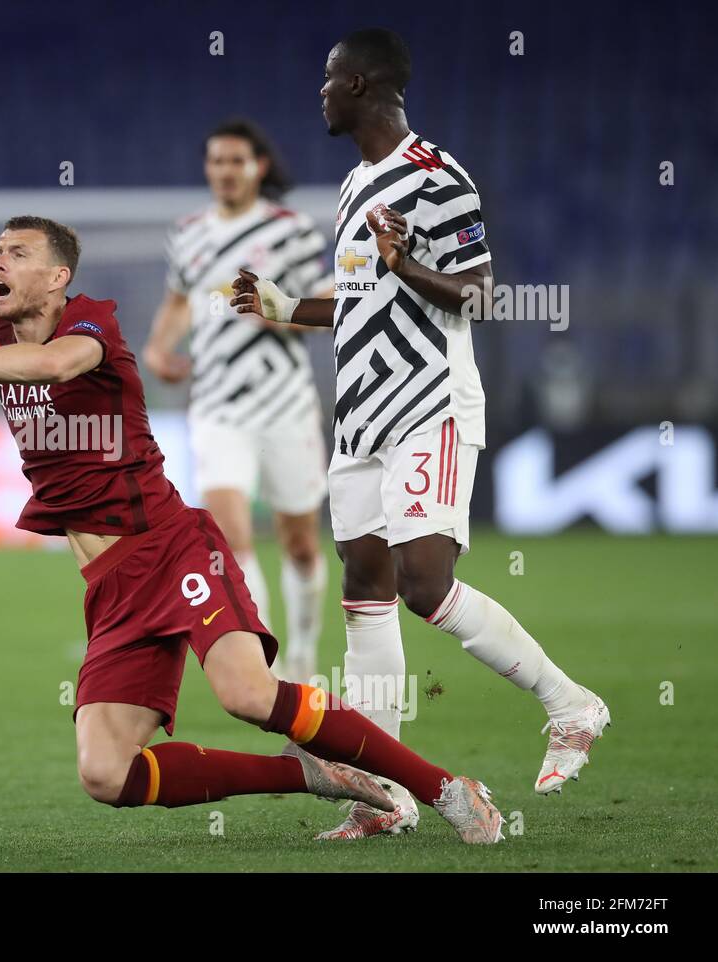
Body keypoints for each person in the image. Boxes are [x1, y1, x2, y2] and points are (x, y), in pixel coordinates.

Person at [0, 214, 503, 843]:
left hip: (171, 546)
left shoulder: (91, 325)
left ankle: (444, 787)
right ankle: (308, 772)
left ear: (58, 277)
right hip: (110, 587)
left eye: (16, 252)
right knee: (105, 774)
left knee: (247, 694)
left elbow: (54, 364)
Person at [232, 29, 608, 840]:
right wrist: (283, 306)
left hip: (427, 402)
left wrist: (405, 266)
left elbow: (478, 293)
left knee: (424, 585)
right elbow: (361, 300)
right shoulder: (353, 185)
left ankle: (570, 703)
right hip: (360, 410)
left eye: (329, 80)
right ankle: (387, 795)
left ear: (362, 85)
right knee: (366, 586)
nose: (320, 93)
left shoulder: (440, 179)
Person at [143, 118, 330, 683]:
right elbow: (179, 301)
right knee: (229, 535)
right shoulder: (188, 233)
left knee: (299, 542)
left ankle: (302, 652)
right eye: (216, 161)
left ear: (259, 167)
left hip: (285, 403)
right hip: (218, 406)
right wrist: (157, 349)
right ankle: (267, 671)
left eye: (236, 161)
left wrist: (274, 311)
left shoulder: (292, 231)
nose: (225, 171)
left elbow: (322, 310)